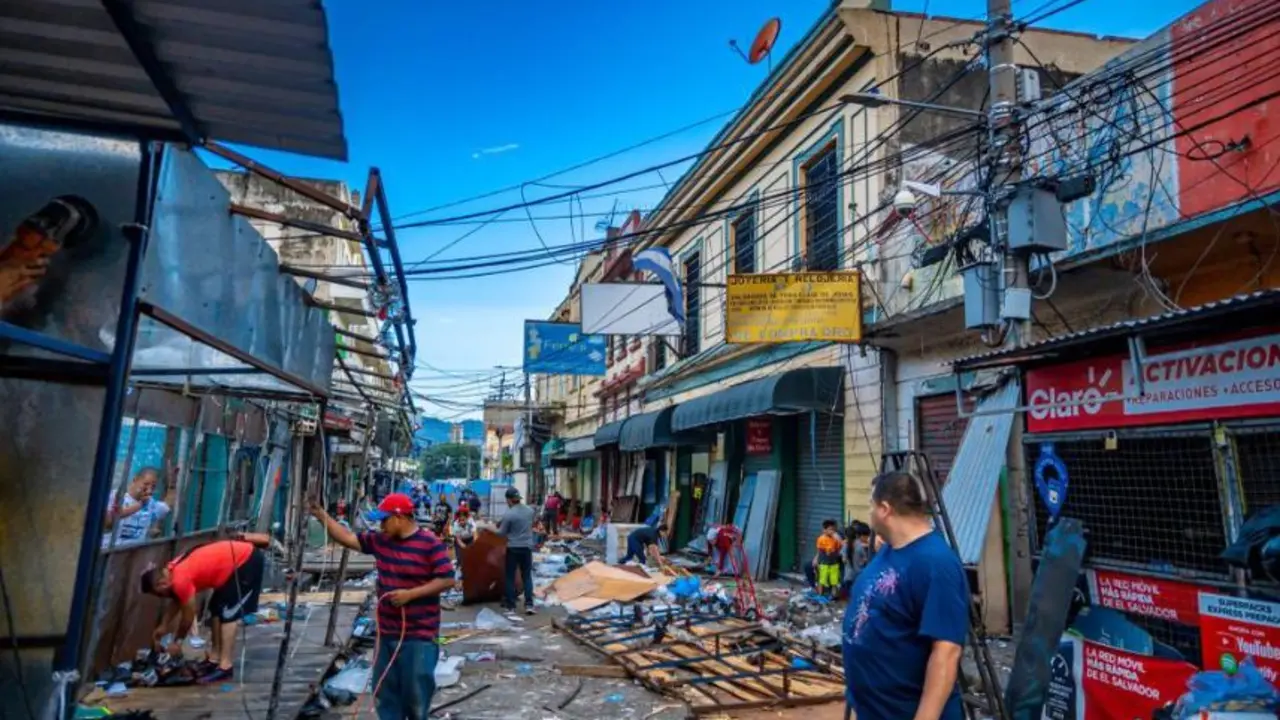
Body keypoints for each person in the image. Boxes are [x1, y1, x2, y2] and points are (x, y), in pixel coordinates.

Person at [310, 493, 455, 720]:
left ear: (399, 517)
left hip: (419, 634)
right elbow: (347, 538)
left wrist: (411, 595)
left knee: (416, 695)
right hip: (386, 633)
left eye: (384, 520)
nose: (381, 525)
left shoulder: (430, 544)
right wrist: (321, 515)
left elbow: (447, 579)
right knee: (385, 692)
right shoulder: (381, 541)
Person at [842, 471, 969, 720]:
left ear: (885, 509)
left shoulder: (936, 564)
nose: (868, 512)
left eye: (871, 504)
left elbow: (946, 652)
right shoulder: (892, 548)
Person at [139, 532, 272, 684]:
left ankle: (225, 666)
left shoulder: (180, 579)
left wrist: (178, 642)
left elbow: (188, 616)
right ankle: (214, 660)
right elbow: (177, 599)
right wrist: (163, 627)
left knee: (228, 614)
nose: (162, 597)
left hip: (245, 561)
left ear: (162, 584)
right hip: (230, 566)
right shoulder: (171, 570)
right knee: (216, 610)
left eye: (159, 594)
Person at [490, 486, 536, 615]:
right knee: (526, 576)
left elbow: (501, 533)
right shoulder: (529, 511)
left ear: (509, 500)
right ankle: (529, 605)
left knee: (510, 576)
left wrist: (489, 527)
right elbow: (527, 523)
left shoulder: (509, 514)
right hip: (527, 547)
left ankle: (511, 606)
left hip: (513, 548)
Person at [102, 467, 174, 549]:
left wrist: (172, 485)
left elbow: (167, 505)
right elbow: (108, 523)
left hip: (135, 555)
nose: (149, 490)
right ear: (135, 480)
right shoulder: (115, 497)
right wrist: (139, 505)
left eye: (153, 487)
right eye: (146, 484)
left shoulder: (150, 503)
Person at [813, 519, 844, 599]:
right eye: (830, 529)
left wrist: (838, 539)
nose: (832, 531)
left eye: (833, 529)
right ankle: (820, 595)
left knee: (834, 581)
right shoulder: (821, 539)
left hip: (834, 563)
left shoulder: (836, 538)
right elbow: (820, 550)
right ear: (824, 530)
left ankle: (833, 596)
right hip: (824, 563)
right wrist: (816, 560)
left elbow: (841, 547)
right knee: (822, 580)